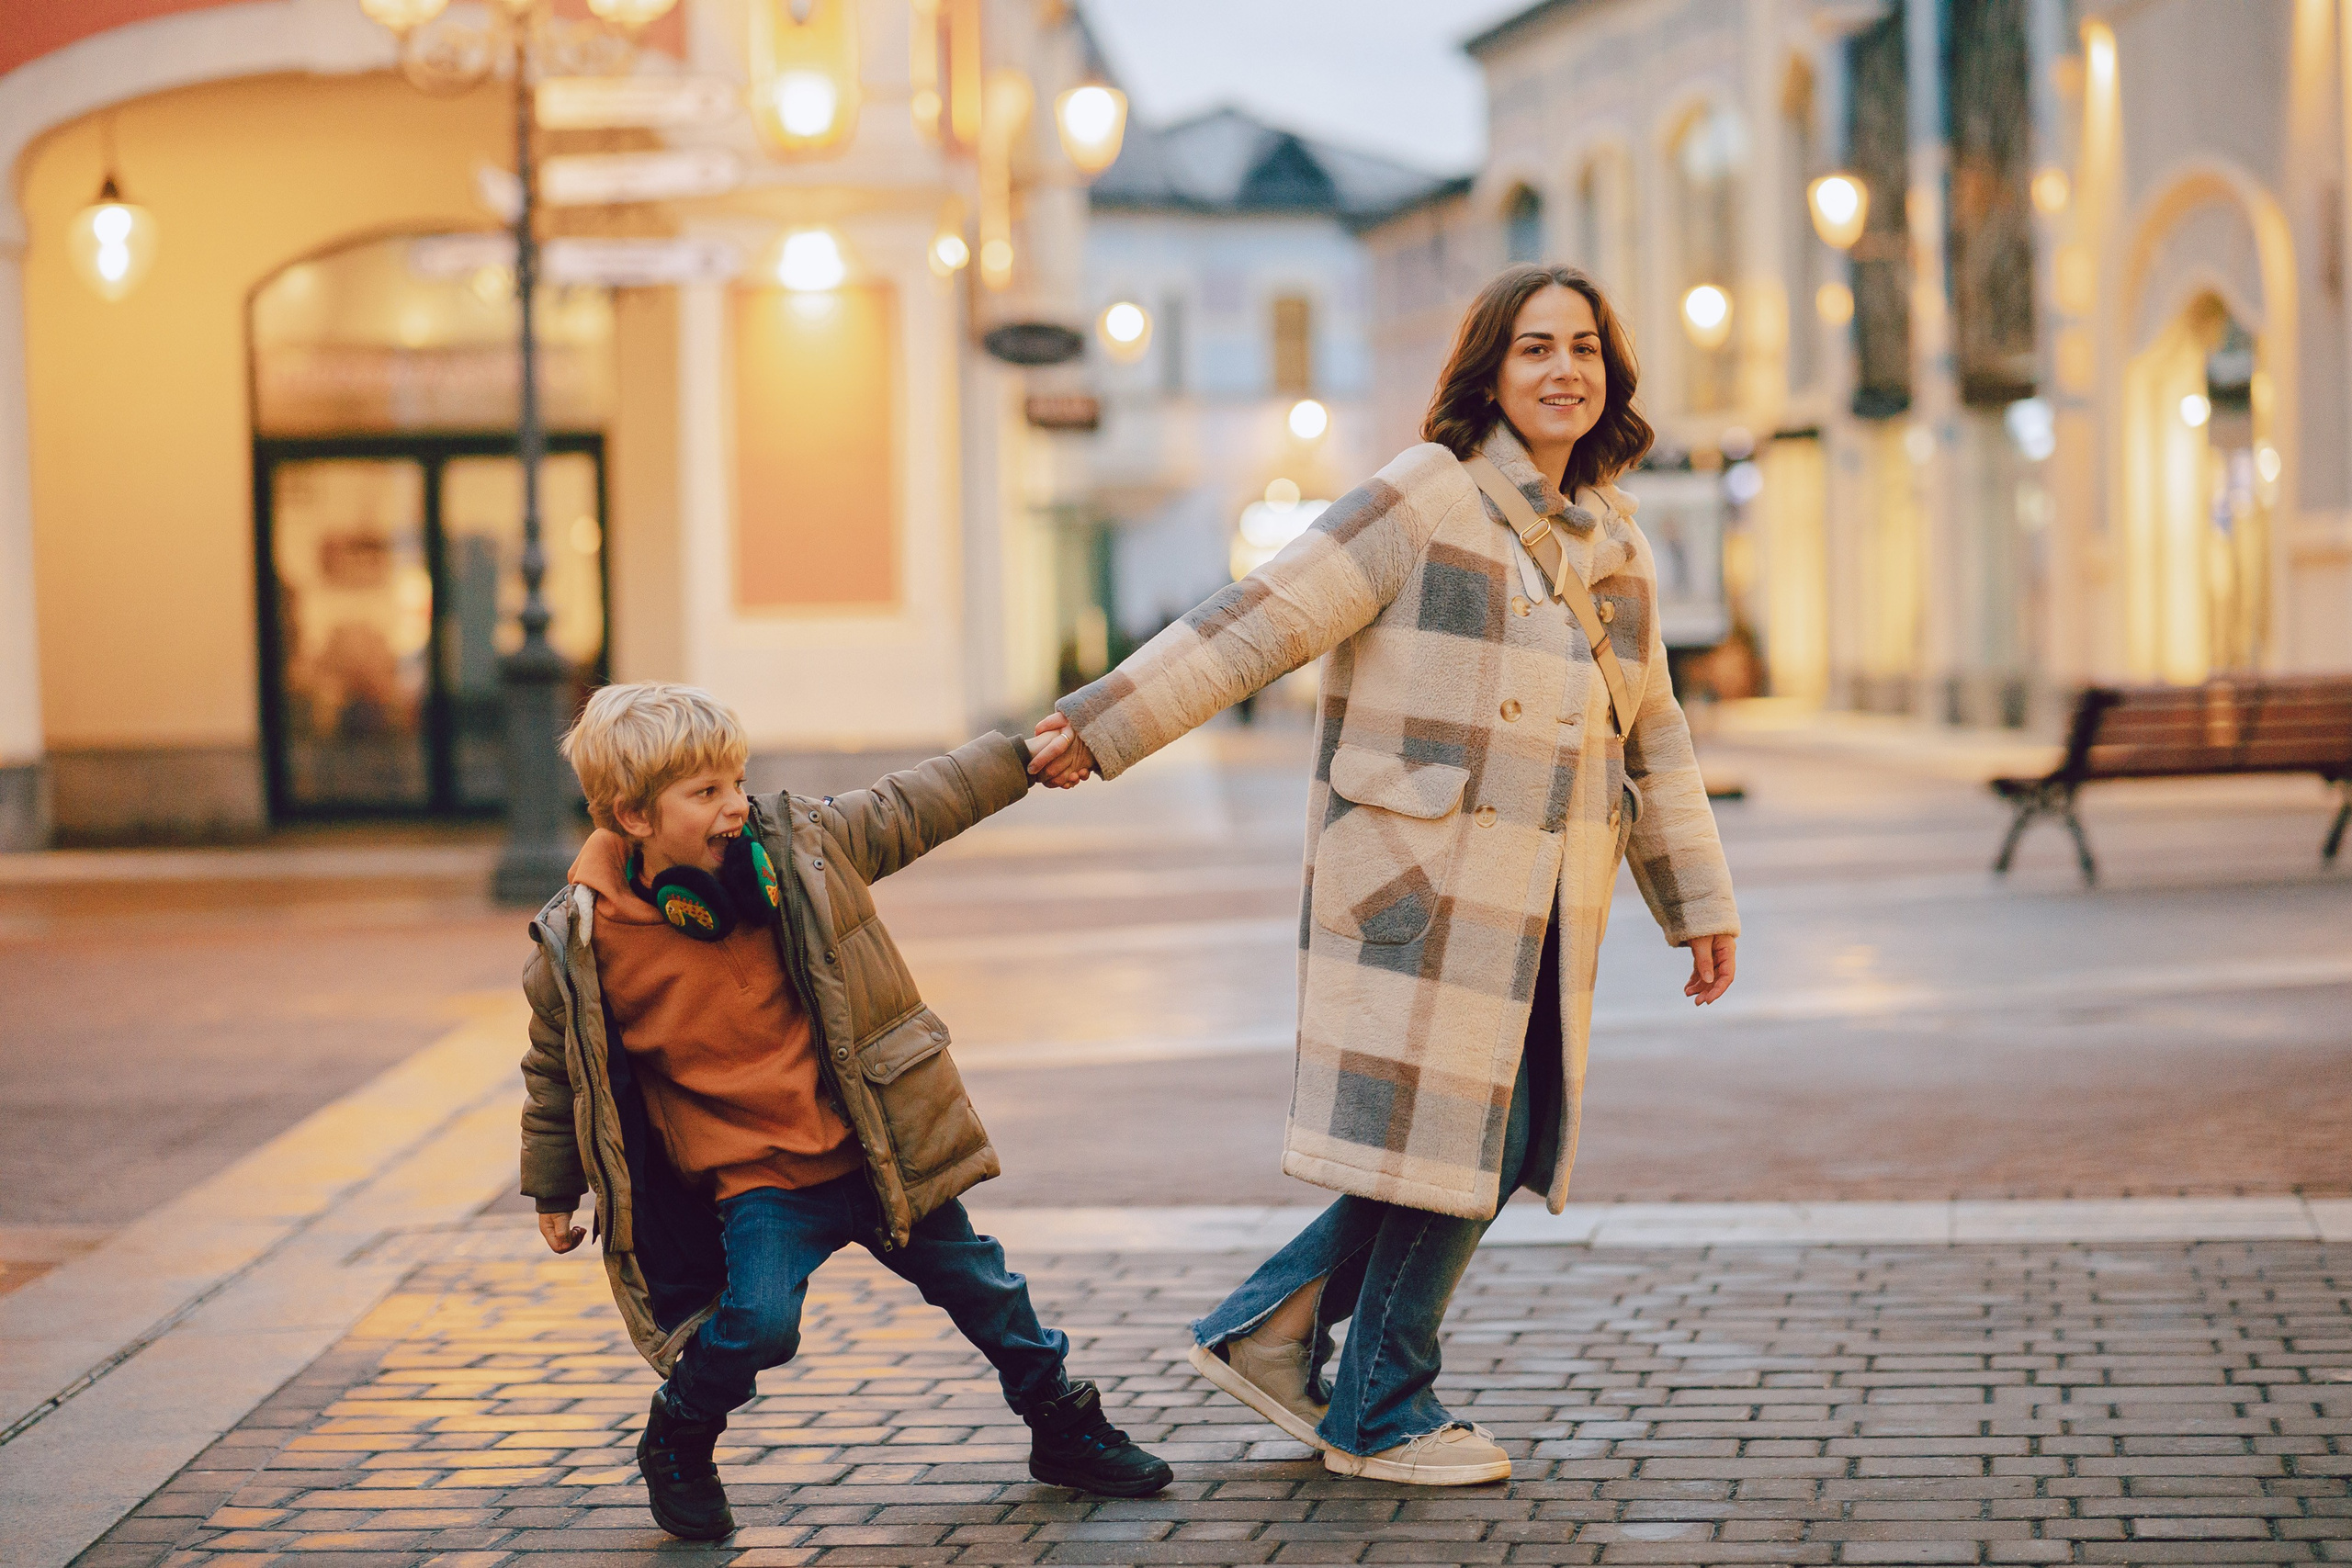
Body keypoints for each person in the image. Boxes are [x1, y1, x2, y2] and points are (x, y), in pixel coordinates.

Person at [1027, 264, 1741, 1486]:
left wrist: (1698, 900)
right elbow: (1265, 612)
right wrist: (1108, 721)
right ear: (1487, 372)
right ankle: (1382, 1405)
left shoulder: (1614, 539)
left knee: (1489, 1134)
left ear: (1611, 374)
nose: (1564, 368)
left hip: (1543, 900)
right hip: (1421, 886)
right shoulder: (1427, 494)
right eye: (1534, 348)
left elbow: (1653, 731)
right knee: (1475, 1133)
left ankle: (1270, 1329)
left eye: (1584, 347)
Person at [520, 682, 1168, 1540]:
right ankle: (680, 1433)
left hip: (872, 1145)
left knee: (986, 1289)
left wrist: (1017, 761)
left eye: (737, 781)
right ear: (633, 816)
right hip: (759, 1179)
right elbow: (555, 1073)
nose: (734, 807)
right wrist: (553, 1189)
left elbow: (906, 807)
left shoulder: (796, 848)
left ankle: (1063, 1423)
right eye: (705, 793)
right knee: (758, 1324)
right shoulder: (583, 942)